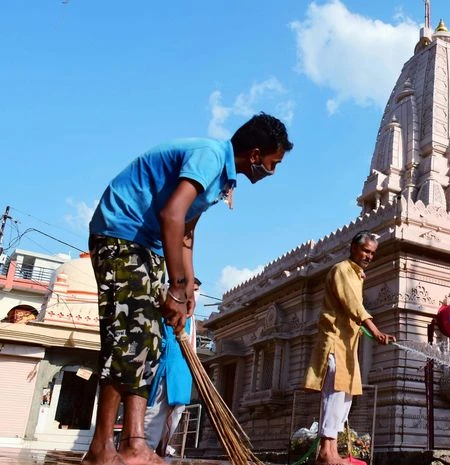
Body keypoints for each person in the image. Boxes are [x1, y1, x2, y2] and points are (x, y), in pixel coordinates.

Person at [84, 112, 293, 465]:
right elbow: (171, 215)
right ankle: (100, 449)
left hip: (146, 244)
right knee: (128, 339)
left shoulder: (223, 179)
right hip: (121, 233)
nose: (272, 172)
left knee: (148, 343)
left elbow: (186, 233)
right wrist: (176, 287)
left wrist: (187, 290)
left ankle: (134, 443)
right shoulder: (210, 156)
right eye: (273, 163)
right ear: (256, 155)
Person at [303, 231, 395, 465]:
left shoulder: (356, 274)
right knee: (333, 395)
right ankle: (325, 453)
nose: (369, 256)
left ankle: (332, 452)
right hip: (335, 341)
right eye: (366, 251)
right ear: (353, 247)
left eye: (372, 253)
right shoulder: (341, 270)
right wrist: (375, 331)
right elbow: (353, 305)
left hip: (348, 344)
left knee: (344, 398)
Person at [144, 277, 201, 457]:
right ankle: (145, 448)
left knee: (176, 411)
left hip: (183, 370)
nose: (195, 293)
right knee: (155, 412)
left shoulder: (192, 319)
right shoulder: (168, 310)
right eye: (193, 289)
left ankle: (162, 447)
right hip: (166, 367)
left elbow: (192, 346)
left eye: (197, 290)